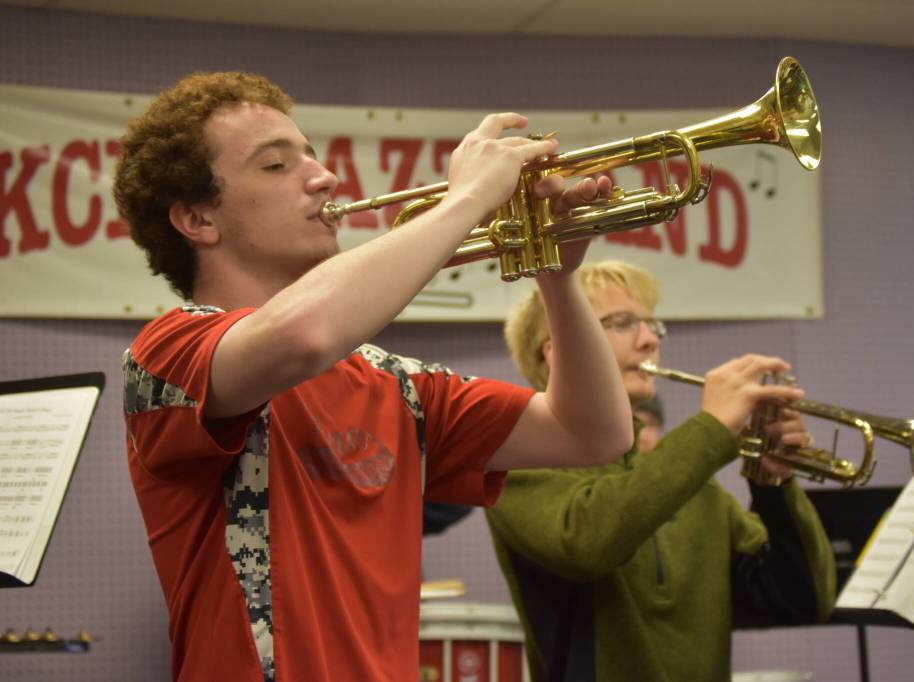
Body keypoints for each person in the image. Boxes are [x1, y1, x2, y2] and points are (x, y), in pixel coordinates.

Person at [113, 71, 634, 681]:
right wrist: (466, 202)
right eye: (276, 166)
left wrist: (558, 273)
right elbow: (304, 334)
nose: (324, 177)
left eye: (312, 154)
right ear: (199, 220)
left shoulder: (394, 384)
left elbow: (592, 433)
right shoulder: (169, 353)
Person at [486, 260, 836, 682]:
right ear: (558, 348)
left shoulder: (693, 487)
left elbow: (803, 599)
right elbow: (588, 542)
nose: (650, 339)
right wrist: (710, 430)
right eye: (623, 323)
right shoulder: (517, 466)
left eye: (654, 326)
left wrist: (774, 483)